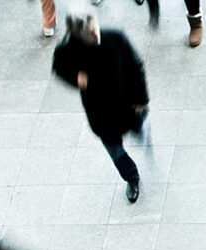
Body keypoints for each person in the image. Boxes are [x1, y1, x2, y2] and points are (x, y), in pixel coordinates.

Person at [52, 9, 150, 204]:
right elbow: (59, 68)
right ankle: (131, 177)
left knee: (135, 126)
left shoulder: (114, 38)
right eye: (88, 32)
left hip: (126, 104)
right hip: (101, 114)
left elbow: (136, 66)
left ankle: (138, 130)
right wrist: (76, 79)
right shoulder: (69, 51)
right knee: (115, 151)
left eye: (94, 27)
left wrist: (141, 100)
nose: (95, 34)